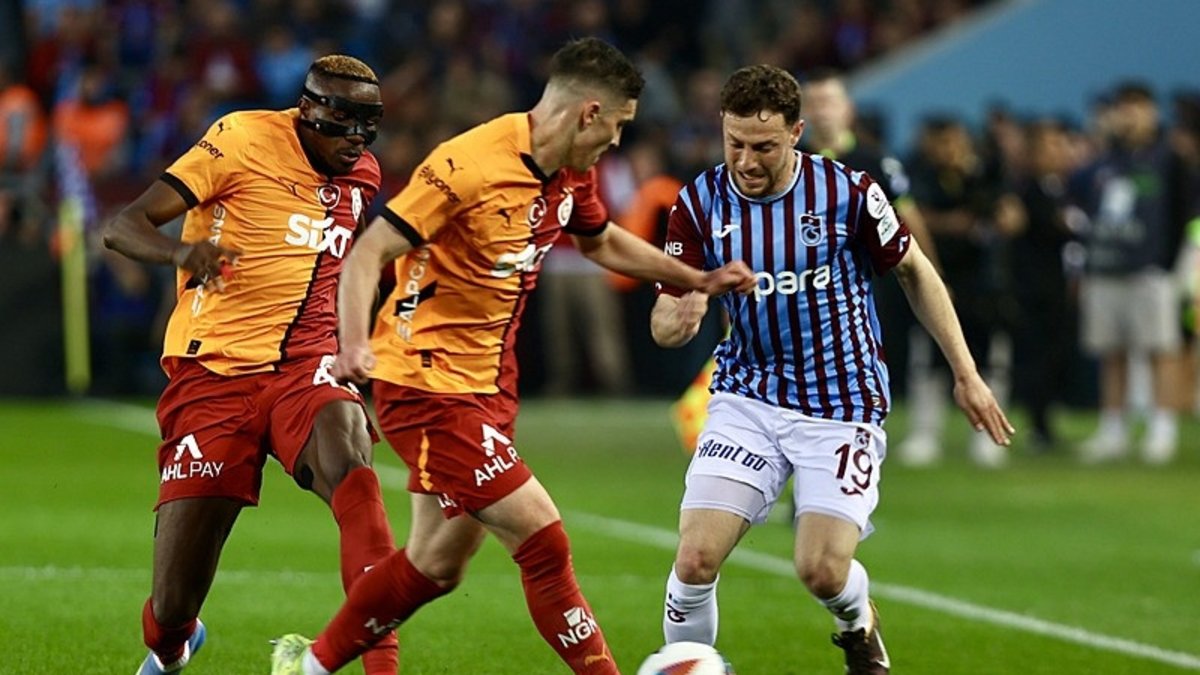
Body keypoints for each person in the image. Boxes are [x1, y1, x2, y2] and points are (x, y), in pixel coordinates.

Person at [269, 37, 754, 675]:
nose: (617, 141)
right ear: (588, 113)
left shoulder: (569, 171)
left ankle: (308, 666)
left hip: (490, 387)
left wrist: (695, 278)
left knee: (436, 564)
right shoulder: (467, 165)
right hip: (425, 385)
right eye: (616, 126)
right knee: (543, 536)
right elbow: (369, 253)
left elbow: (600, 241)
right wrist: (355, 343)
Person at [649, 65, 1013, 674]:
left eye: (763, 147)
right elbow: (663, 320)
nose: (746, 161)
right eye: (735, 143)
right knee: (694, 561)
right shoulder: (699, 202)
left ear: (797, 133)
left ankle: (857, 619)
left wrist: (966, 373)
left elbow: (916, 272)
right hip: (747, 395)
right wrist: (682, 315)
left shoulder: (849, 193)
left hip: (841, 404)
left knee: (821, 570)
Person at [102, 55, 401, 675]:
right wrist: (182, 251)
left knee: (356, 474)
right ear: (309, 111)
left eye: (368, 127)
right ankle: (174, 644)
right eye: (344, 125)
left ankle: (382, 666)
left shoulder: (364, 175)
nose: (357, 141)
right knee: (171, 609)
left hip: (304, 367)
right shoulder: (240, 139)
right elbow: (123, 225)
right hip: (213, 373)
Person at [1073, 81, 1195, 464]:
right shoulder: (1104, 159)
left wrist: (1168, 264)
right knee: (1112, 353)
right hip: (1106, 266)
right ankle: (1114, 429)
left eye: (1138, 107)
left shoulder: (1170, 159)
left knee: (1161, 350)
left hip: (1150, 270)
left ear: (1152, 112)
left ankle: (1162, 429)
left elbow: (1185, 212)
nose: (1130, 115)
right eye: (1124, 107)